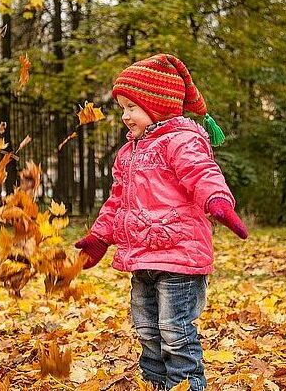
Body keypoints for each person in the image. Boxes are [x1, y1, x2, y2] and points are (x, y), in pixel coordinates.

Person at [74, 54, 248, 391]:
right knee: (146, 330)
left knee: (175, 332)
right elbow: (117, 201)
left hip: (179, 258)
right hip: (143, 257)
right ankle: (153, 384)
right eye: (122, 107)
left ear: (157, 105)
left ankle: (185, 385)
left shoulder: (182, 141)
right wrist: (100, 236)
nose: (124, 116)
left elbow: (202, 174)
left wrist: (218, 202)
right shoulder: (129, 153)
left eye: (131, 107)